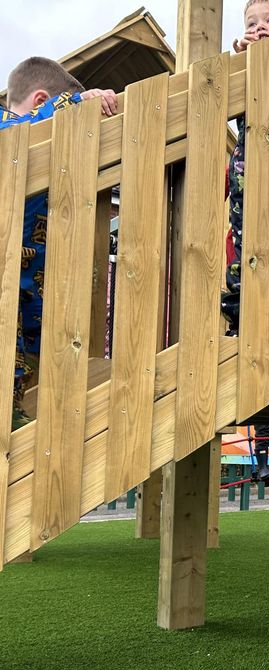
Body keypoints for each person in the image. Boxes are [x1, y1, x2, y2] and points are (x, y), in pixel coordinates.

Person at [0, 58, 117, 430]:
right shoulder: (8, 126)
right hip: (7, 266)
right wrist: (75, 104)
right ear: (39, 101)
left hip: (32, 279)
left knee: (24, 356)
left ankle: (13, 411)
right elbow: (19, 132)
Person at [221, 0, 269, 332]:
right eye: (251, 24)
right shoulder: (245, 70)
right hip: (247, 183)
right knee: (245, 250)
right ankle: (241, 321)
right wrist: (242, 61)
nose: (258, 27)